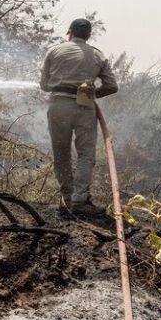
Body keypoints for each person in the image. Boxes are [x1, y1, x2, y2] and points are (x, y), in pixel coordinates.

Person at [39, 18, 119, 217]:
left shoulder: (54, 51)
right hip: (85, 108)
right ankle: (80, 199)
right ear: (89, 35)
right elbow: (111, 86)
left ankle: (67, 197)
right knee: (85, 154)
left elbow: (44, 85)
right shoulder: (98, 55)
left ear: (69, 32)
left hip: (58, 107)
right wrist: (92, 94)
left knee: (61, 153)